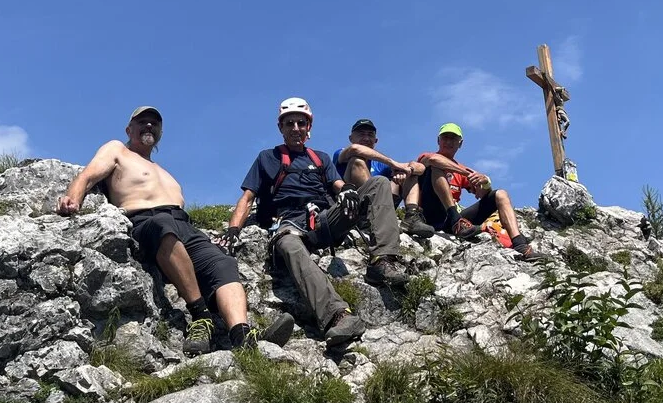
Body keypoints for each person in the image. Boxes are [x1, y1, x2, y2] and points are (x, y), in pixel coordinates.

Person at [57, 105, 293, 355]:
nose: (149, 125)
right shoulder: (118, 150)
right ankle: (201, 317)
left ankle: (242, 335)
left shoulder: (164, 172)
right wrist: (72, 199)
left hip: (183, 225)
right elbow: (88, 175)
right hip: (147, 222)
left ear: (160, 132)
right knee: (164, 226)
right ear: (129, 129)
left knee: (223, 262)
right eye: (142, 122)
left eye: (154, 123)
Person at [219, 98, 411, 349]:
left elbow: (337, 183)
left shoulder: (320, 158)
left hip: (324, 218)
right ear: (280, 127)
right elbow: (247, 197)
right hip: (289, 222)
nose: (296, 128)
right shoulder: (267, 158)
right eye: (289, 123)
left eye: (301, 123)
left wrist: (347, 190)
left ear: (308, 126)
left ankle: (382, 260)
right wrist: (234, 229)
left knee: (379, 184)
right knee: (289, 246)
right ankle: (337, 315)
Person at [417, 122, 545, 262]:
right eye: (445, 137)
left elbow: (482, 194)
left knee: (501, 194)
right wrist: (467, 173)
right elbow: (434, 160)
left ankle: (520, 245)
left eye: (453, 138)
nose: (448, 141)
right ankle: (455, 219)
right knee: (436, 167)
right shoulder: (427, 157)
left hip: (452, 223)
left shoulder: (460, 168)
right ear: (438, 140)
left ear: (460, 143)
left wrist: (485, 181)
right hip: (430, 216)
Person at [332, 118, 435, 239]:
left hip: (382, 206)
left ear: (375, 141)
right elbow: (355, 149)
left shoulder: (380, 163)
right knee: (357, 160)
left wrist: (408, 170)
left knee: (408, 173)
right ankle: (367, 215)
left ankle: (411, 217)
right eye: (361, 134)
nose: (366, 138)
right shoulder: (341, 153)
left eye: (370, 135)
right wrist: (393, 163)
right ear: (351, 138)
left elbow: (421, 168)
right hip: (353, 205)